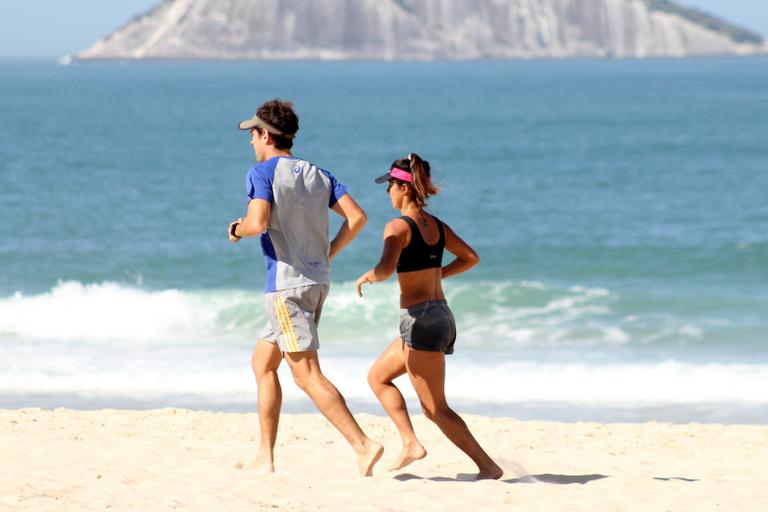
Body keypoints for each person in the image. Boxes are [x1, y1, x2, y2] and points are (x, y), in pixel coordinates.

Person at [228, 99, 383, 476]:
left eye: (253, 134)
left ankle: (363, 445)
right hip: (317, 281)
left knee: (305, 373)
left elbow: (258, 221)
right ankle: (265, 457)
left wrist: (236, 229)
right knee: (263, 363)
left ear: (265, 134)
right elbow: (358, 217)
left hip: (286, 287)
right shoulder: (318, 172)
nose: (250, 142)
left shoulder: (261, 172)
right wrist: (329, 251)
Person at [355, 153, 503, 480]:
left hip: (419, 321)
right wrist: (438, 275)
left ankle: (487, 466)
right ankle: (409, 442)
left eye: (390, 186)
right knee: (378, 377)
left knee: (436, 408)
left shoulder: (397, 227)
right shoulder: (436, 225)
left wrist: (369, 276)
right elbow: (471, 258)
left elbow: (385, 268)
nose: (387, 193)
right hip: (441, 316)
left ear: (404, 188)